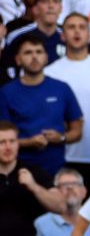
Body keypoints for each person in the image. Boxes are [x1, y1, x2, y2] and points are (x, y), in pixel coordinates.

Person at [43, 13, 90, 190]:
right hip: (59, 156)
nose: (77, 32)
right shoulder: (49, 72)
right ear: (62, 35)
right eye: (71, 27)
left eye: (82, 27)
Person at [0, 33, 82, 176]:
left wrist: (60, 138)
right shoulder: (6, 92)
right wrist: (29, 142)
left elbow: (77, 131)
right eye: (28, 52)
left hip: (55, 169)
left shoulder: (62, 89)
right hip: (17, 171)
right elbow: (1, 137)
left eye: (39, 52)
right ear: (18, 60)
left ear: (46, 57)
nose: (34, 57)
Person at [0, 118, 58, 236]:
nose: (8, 147)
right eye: (2, 142)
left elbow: (60, 206)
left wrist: (34, 187)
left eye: (12, 141)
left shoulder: (34, 171)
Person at [33, 167, 88, 236]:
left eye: (75, 183)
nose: (70, 187)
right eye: (64, 184)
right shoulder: (42, 224)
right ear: (56, 192)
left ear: (84, 191)